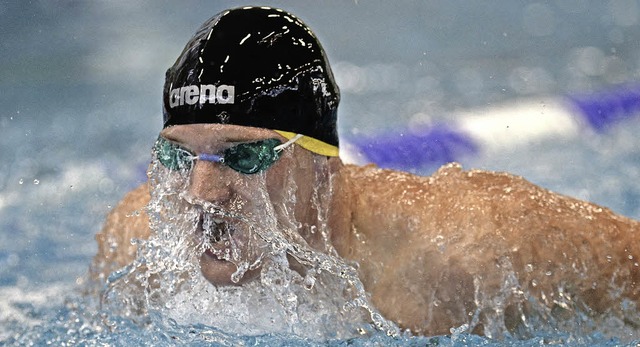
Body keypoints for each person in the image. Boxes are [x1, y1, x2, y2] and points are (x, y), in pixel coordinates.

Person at [91, 6, 640, 337]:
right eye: (179, 155)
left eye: (244, 155)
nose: (201, 193)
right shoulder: (136, 247)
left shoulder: (471, 251)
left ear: (323, 161)